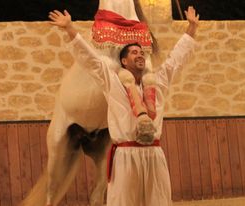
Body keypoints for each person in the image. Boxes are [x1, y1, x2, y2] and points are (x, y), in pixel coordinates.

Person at [49, 5, 199, 206]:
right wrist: (69, 29)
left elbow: (175, 60)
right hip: (125, 158)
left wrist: (192, 28)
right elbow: (91, 60)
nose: (140, 55)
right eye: (134, 52)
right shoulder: (114, 84)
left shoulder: (157, 84)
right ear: (123, 61)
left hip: (154, 156)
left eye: (141, 53)